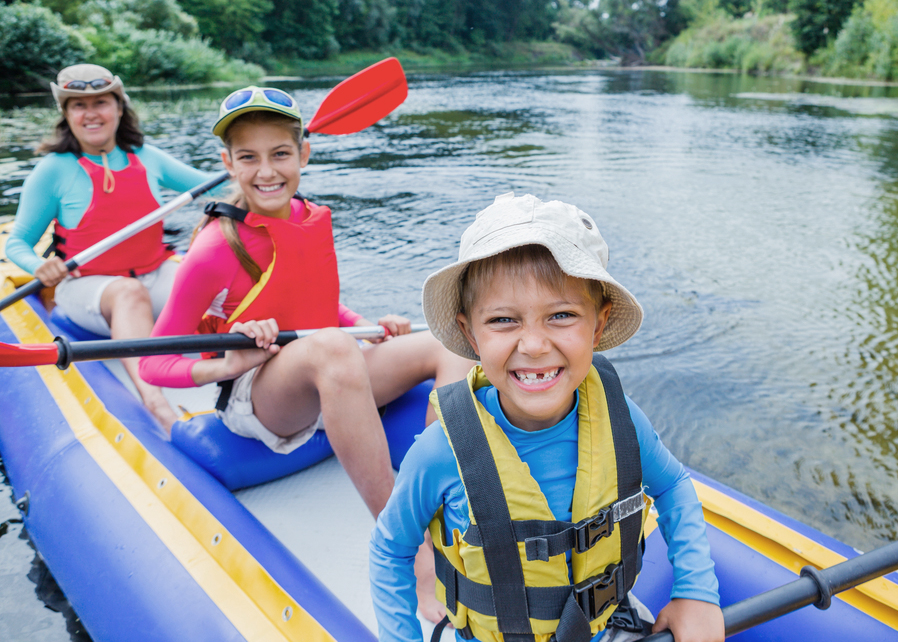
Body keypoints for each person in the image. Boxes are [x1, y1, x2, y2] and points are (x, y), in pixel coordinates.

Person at [370, 194, 725, 642]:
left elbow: (673, 486)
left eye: (561, 315)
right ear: (470, 334)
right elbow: (390, 550)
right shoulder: (441, 451)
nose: (534, 345)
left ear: (598, 326)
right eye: (503, 320)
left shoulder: (622, 422)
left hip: (606, 628)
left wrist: (696, 591)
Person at [137, 86, 474, 523]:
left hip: (328, 368)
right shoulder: (213, 249)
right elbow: (151, 362)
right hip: (260, 399)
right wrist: (224, 366)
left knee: (450, 342)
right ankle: (402, 534)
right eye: (248, 157)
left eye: (280, 154)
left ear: (304, 155)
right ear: (228, 164)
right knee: (334, 347)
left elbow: (323, 306)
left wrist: (370, 327)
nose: (266, 171)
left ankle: (438, 489)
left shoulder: (308, 217)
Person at [4, 64, 212, 430]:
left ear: (119, 107)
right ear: (67, 115)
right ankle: (158, 405)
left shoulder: (147, 157)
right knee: (128, 292)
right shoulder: (53, 169)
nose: (91, 113)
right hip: (87, 289)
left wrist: (256, 175)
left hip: (155, 273)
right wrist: (39, 266)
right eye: (78, 105)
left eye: (100, 102)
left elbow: (218, 187)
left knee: (207, 273)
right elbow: (17, 243)